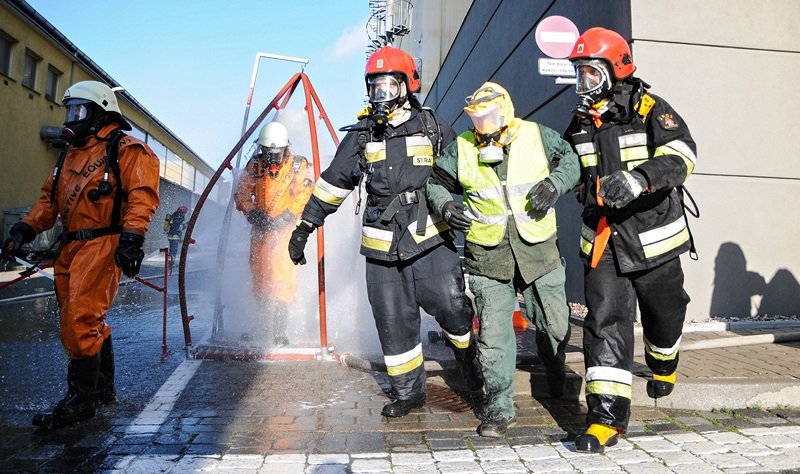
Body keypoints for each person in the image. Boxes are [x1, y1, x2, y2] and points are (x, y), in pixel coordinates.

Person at [287, 46, 482, 417]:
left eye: (390, 86)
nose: (382, 95)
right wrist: (305, 225)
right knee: (393, 321)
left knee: (453, 308)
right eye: (375, 87)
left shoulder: (432, 126)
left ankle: (467, 358)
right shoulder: (362, 134)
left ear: (407, 86)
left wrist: (469, 209)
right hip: (381, 249)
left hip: (430, 241)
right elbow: (334, 183)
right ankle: (409, 393)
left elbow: (465, 170)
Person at [0, 80, 160, 429]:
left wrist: (132, 238)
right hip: (71, 246)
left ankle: (81, 401)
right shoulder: (70, 154)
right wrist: (23, 229)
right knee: (82, 319)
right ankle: (101, 392)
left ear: (100, 112)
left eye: (79, 110)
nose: (72, 117)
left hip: (102, 243)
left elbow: (142, 196)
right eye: (69, 110)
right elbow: (49, 201)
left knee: (80, 318)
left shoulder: (127, 149)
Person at [565, 27, 696, 453]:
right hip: (604, 244)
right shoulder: (580, 124)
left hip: (654, 241)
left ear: (615, 71)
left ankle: (663, 361)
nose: (583, 84)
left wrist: (641, 179)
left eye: (590, 73)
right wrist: (578, 188)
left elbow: (683, 155)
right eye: (579, 75)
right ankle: (605, 420)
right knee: (604, 324)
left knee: (666, 312)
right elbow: (573, 174)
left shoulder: (651, 109)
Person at [426, 82, 579, 437]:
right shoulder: (462, 147)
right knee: (493, 336)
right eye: (477, 119)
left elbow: (570, 158)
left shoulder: (537, 135)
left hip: (539, 251)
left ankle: (553, 365)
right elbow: (433, 181)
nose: (483, 125)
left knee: (555, 325)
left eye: (489, 117)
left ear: (505, 110)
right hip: (488, 256)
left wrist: (556, 184)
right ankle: (499, 407)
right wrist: (447, 206)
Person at [234, 121, 314, 347]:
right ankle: (260, 327)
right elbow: (241, 193)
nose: (270, 159)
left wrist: (287, 216)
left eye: (274, 154)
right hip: (260, 232)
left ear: (285, 149)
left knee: (282, 281)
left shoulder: (298, 166)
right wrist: (253, 214)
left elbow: (305, 193)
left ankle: (280, 331)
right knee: (259, 279)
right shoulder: (255, 166)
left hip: (284, 233)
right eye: (266, 153)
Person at [164, 205, 188, 272]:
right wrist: (185, 225)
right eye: (184, 213)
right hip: (174, 237)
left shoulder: (175, 215)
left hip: (172, 236)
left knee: (172, 251)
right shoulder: (177, 216)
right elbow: (177, 227)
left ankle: (170, 263)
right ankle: (171, 264)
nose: (184, 214)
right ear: (182, 212)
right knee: (173, 251)